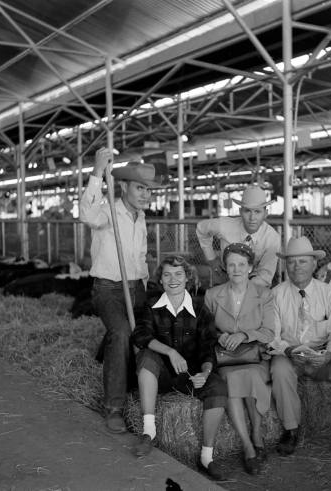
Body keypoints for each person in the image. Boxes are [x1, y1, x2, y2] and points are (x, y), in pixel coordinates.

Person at [79, 147, 159, 433]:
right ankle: (114, 407)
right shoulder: (108, 211)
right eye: (140, 188)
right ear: (123, 186)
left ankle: (142, 385)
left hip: (136, 287)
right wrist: (98, 172)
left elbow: (140, 257)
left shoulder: (141, 217)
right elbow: (86, 214)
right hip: (108, 289)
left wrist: (147, 286)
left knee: (144, 334)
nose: (145, 194)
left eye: (149, 190)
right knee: (122, 332)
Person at [131, 256, 227, 480]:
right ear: (161, 280)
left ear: (187, 278)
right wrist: (170, 352)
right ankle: (149, 432)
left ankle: (206, 457)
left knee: (218, 387)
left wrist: (204, 373)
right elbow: (140, 335)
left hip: (190, 376)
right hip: (160, 375)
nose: (172, 279)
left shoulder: (200, 309)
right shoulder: (151, 305)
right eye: (167, 275)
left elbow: (207, 348)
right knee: (146, 356)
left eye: (178, 274)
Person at [269, 236, 331, 455]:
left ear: (314, 264)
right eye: (291, 261)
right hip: (290, 353)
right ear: (285, 265)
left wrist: (329, 355)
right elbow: (271, 335)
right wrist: (287, 350)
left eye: (303, 261)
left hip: (323, 354)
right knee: (279, 369)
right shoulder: (276, 295)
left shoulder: (329, 294)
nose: (296, 267)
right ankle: (291, 430)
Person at [204, 243, 275, 475]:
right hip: (226, 360)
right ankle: (248, 446)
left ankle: (256, 432)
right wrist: (221, 336)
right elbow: (204, 330)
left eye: (241, 264)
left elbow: (269, 332)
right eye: (231, 264)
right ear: (225, 267)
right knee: (232, 380)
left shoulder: (263, 294)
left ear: (250, 267)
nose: (236, 269)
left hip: (255, 358)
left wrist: (244, 335)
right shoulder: (213, 295)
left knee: (252, 375)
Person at [196, 185, 281, 287]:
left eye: (257, 211)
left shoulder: (272, 238)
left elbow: (265, 276)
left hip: (254, 283)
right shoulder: (225, 225)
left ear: (265, 213)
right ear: (240, 211)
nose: (252, 217)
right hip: (224, 276)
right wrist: (211, 259)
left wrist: (241, 290)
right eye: (247, 211)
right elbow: (201, 228)